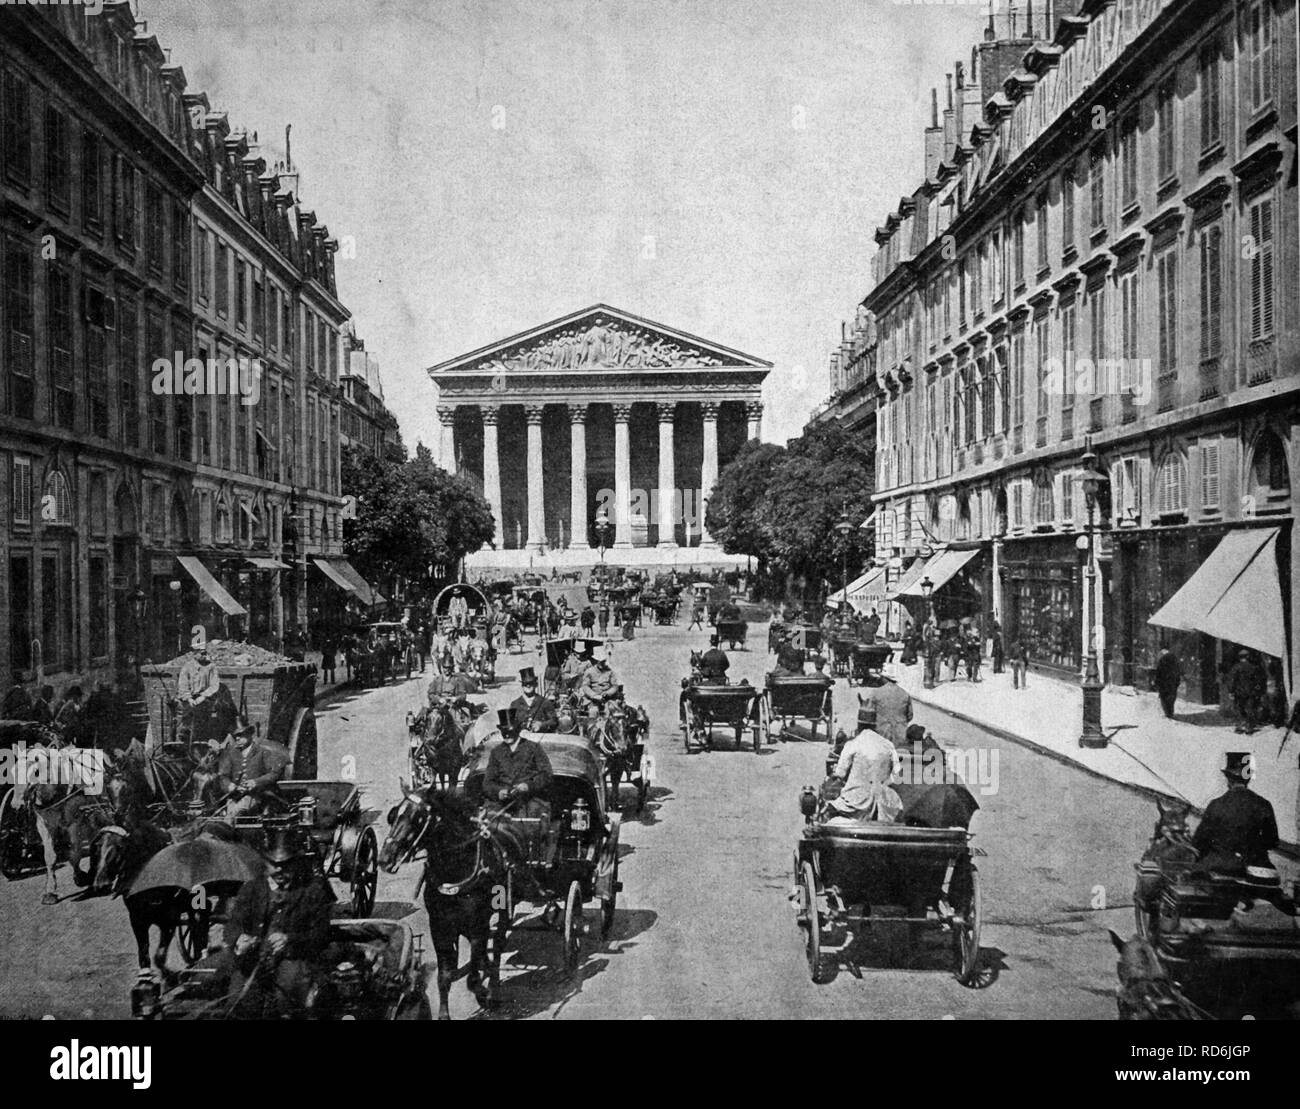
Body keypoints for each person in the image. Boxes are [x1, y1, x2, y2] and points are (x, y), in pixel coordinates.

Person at [224, 824, 334, 1018]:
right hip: (254, 957)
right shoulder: (251, 889)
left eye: (287, 864)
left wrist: (289, 939)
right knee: (239, 1000)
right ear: (265, 863)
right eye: (274, 864)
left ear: (296, 863)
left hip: (293, 957)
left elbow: (321, 934)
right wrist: (239, 939)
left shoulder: (312, 892)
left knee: (290, 992)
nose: (280, 870)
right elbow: (234, 923)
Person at [1192, 752, 1278, 872]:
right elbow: (1272, 842)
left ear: (1228, 778)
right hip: (1254, 867)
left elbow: (1199, 841)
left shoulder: (1216, 804)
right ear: (1247, 779)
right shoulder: (1264, 804)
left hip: (1219, 865)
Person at [483, 709, 554, 818]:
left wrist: (529, 786)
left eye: (510, 731)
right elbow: (487, 782)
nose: (507, 735)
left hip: (530, 800)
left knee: (534, 820)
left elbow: (546, 774)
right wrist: (499, 792)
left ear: (518, 730)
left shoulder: (533, 748)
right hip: (502, 804)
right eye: (504, 731)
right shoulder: (496, 752)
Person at [828, 726, 902, 822]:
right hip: (883, 803)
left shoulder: (853, 744)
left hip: (855, 802)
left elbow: (840, 773)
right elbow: (897, 774)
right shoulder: (888, 745)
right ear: (875, 726)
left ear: (858, 725)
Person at [218, 719, 290, 816]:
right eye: (236, 736)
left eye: (241, 735)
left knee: (237, 812)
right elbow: (223, 776)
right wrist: (231, 786)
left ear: (249, 735)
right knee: (226, 813)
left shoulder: (262, 751)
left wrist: (255, 782)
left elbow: (274, 773)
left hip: (258, 795)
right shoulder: (231, 754)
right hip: (235, 796)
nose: (237, 738)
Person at [177, 645, 221, 743]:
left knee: (202, 714)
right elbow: (183, 685)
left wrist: (203, 696)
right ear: (195, 654)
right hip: (190, 698)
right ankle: (186, 737)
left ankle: (201, 739)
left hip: (205, 698)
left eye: (206, 653)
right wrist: (189, 698)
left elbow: (214, 685)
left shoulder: (211, 667)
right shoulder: (187, 667)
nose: (205, 656)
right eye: (202, 653)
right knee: (188, 712)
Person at [857, 672, 913, 747]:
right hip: (900, 736)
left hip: (881, 735)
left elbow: (868, 716)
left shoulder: (876, 693)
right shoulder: (905, 694)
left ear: (885, 679)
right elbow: (910, 716)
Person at [1226, 649, 1266, 735]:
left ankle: (1240, 726)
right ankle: (1249, 728)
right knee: (1250, 709)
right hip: (1251, 692)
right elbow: (1258, 681)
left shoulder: (1236, 667)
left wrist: (1231, 691)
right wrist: (1258, 690)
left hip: (1239, 692)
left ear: (1239, 657)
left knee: (1239, 708)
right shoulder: (1253, 667)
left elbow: (1231, 680)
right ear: (1248, 657)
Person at [510, 668, 559, 734]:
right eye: (525, 683)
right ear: (522, 685)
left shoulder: (545, 702)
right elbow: (510, 724)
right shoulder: (515, 704)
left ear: (535, 684)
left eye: (530, 683)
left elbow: (554, 721)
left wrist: (541, 725)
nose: (528, 685)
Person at [1154, 647, 1182, 719]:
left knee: (1164, 697)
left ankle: (1167, 713)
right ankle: (1170, 712)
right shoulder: (1175, 660)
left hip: (1164, 683)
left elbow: (1158, 672)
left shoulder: (1162, 660)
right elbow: (1178, 671)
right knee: (1171, 697)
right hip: (1172, 682)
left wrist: (1157, 682)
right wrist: (1177, 681)